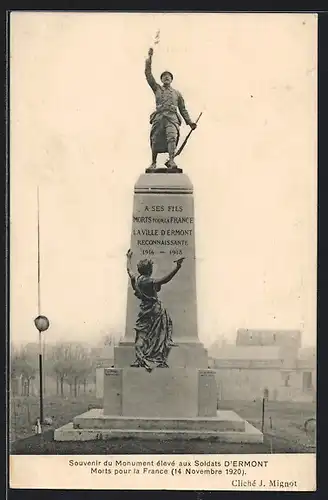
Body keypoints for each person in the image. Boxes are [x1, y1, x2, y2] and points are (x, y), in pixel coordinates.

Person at [126, 249, 184, 372]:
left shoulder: (136, 279)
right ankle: (156, 356)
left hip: (144, 311)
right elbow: (165, 279)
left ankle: (142, 357)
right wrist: (177, 267)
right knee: (159, 335)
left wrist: (128, 258)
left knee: (141, 334)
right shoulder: (149, 281)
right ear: (149, 270)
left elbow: (129, 270)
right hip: (154, 310)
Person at [145, 47, 197, 170]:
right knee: (155, 139)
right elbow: (148, 75)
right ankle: (153, 162)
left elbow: (183, 109)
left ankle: (172, 160)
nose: (166, 78)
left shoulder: (177, 93)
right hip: (159, 117)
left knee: (171, 137)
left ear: (172, 79)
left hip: (172, 117)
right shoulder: (157, 89)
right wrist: (149, 58)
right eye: (164, 76)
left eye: (168, 76)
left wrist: (190, 123)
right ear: (161, 79)